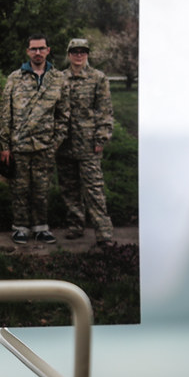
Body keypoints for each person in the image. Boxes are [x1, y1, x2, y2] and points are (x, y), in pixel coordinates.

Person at [0, 34, 69, 245]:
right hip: (19, 145)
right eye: (33, 49)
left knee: (41, 189)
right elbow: (5, 114)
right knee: (19, 189)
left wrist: (55, 143)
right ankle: (20, 227)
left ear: (48, 50)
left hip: (45, 146)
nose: (37, 52)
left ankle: (41, 227)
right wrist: (5, 145)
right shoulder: (15, 78)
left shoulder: (58, 79)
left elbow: (63, 115)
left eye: (41, 48)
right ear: (28, 52)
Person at [58, 38, 115, 247]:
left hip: (88, 143)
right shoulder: (60, 78)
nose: (79, 55)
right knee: (69, 187)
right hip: (64, 143)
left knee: (94, 189)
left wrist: (102, 137)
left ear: (87, 54)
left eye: (83, 51)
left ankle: (104, 232)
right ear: (69, 54)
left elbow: (105, 110)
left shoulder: (98, 78)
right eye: (75, 51)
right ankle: (75, 225)